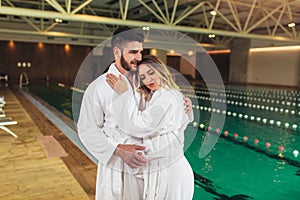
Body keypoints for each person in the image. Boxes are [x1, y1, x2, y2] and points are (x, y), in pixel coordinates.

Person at [77, 27, 193, 199]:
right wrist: (118, 150)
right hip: (118, 165)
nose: (138, 58)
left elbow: (162, 113)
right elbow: (87, 130)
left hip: (148, 168)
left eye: (140, 51)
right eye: (133, 52)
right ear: (117, 52)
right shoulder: (99, 87)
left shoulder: (145, 82)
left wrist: (184, 105)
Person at [107, 55, 194, 199]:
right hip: (162, 170)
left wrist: (124, 95)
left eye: (151, 73)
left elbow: (141, 125)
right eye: (143, 77)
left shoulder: (167, 96)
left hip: (171, 173)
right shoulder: (156, 95)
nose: (148, 80)